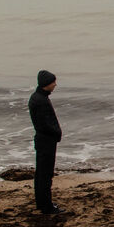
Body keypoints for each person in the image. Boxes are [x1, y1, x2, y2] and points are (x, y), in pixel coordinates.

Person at [28, 70, 64, 214]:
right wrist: (57, 132)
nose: (55, 85)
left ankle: (42, 203)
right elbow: (45, 124)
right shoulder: (40, 100)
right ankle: (46, 206)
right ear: (46, 84)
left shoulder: (38, 97)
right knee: (45, 174)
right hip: (46, 141)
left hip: (43, 140)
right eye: (53, 82)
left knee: (41, 173)